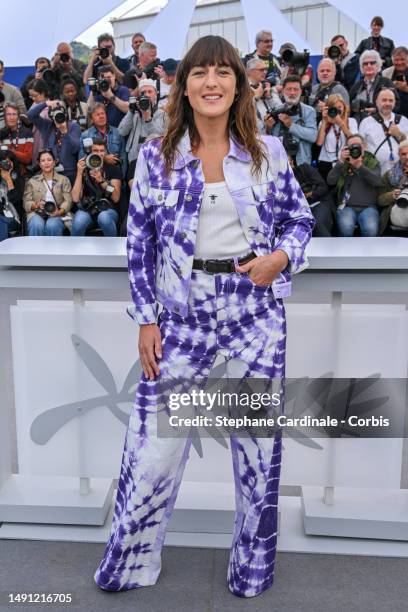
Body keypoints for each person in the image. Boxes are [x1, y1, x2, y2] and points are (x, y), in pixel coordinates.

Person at [93, 34, 314, 599]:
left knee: (257, 449)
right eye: (199, 73)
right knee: (152, 447)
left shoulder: (268, 151)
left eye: (222, 72)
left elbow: (300, 220)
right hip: (181, 315)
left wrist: (280, 260)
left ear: (238, 85)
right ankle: (129, 564)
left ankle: (251, 571)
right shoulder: (156, 157)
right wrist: (146, 318)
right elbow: (139, 240)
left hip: (253, 309)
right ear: (183, 86)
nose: (211, 82)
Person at [327, 133, 381, 236]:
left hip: (369, 207)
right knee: (346, 227)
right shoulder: (343, 163)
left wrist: (360, 166)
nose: (355, 149)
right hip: (347, 206)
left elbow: (377, 181)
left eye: (357, 145)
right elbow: (330, 181)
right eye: (351, 146)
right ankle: (345, 252)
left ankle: (368, 252)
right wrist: (341, 161)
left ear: (364, 146)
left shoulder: (373, 162)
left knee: (371, 229)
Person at [71, 138, 121, 236]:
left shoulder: (112, 168)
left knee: (104, 218)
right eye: (95, 150)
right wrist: (79, 173)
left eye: (101, 151)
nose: (98, 153)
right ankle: (75, 250)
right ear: (89, 152)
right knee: (78, 222)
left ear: (105, 152)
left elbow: (116, 198)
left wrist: (102, 181)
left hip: (108, 209)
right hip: (87, 209)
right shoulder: (83, 168)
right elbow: (75, 198)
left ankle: (112, 249)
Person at [27, 98, 81, 185]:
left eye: (60, 112)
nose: (57, 115)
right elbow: (30, 115)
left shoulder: (73, 126)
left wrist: (65, 132)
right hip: (50, 172)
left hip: (69, 172)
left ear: (65, 113)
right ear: (50, 114)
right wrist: (46, 103)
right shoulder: (46, 125)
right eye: (55, 112)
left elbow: (75, 148)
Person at [268, 76, 317, 165]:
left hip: (300, 163)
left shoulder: (309, 111)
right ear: (283, 91)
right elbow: (269, 139)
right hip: (278, 162)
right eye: (289, 89)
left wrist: (291, 125)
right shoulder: (276, 110)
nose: (292, 92)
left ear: (301, 91)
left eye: (296, 89)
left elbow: (313, 136)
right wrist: (268, 127)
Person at [23, 149, 72, 236]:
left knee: (52, 225)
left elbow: (68, 201)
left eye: (49, 160)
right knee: (36, 224)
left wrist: (59, 212)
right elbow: (26, 202)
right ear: (39, 164)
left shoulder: (63, 180)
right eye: (43, 160)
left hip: (57, 213)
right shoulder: (32, 181)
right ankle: (35, 249)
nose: (46, 163)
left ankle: (53, 249)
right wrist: (36, 205)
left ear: (54, 162)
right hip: (37, 212)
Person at [359, 88, 408, 174]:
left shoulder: (403, 120)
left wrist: (399, 135)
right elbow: (361, 147)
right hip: (374, 173)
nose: (387, 103)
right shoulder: (366, 122)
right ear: (377, 102)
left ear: (394, 103)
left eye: (391, 100)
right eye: (384, 100)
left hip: (401, 173)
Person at [118, 79, 166, 164]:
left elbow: (159, 137)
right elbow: (122, 132)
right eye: (143, 93)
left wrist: (148, 118)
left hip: (153, 160)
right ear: (139, 96)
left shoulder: (162, 115)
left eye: (150, 91)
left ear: (156, 95)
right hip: (133, 160)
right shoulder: (135, 114)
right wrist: (131, 112)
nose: (146, 95)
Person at [289, 154, 334, 236]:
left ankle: (329, 246)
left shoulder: (305, 168)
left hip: (319, 202)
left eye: (286, 163)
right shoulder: (281, 180)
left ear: (292, 162)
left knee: (317, 222)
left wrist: (310, 194)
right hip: (299, 209)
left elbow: (323, 187)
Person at [316, 94, 358, 180]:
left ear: (344, 108)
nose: (337, 110)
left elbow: (355, 141)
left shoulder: (351, 121)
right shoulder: (323, 123)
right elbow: (319, 143)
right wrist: (324, 121)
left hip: (344, 162)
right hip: (326, 162)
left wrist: (341, 124)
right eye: (333, 107)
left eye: (339, 107)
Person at [80, 103, 126, 175]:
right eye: (97, 114)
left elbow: (123, 157)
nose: (101, 116)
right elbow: (82, 159)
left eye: (103, 113)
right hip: (94, 176)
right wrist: (103, 159)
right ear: (92, 119)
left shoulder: (117, 133)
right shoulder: (85, 135)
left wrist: (122, 176)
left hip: (116, 176)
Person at [350, 50, 395, 123]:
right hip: (359, 124)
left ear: (378, 65)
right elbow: (349, 108)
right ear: (361, 67)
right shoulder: (356, 86)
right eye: (365, 63)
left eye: (372, 63)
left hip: (381, 123)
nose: (369, 66)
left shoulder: (387, 83)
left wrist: (377, 109)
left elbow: (396, 105)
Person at [377, 140, 408, 232]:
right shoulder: (389, 175)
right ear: (398, 155)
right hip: (396, 212)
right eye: (403, 154)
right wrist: (391, 195)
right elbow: (379, 200)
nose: (407, 157)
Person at [246, 57, 281, 129]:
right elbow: (240, 112)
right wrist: (254, 98)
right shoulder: (240, 89)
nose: (265, 72)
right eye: (261, 70)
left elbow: (281, 110)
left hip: (271, 133)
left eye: (266, 69)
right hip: (252, 135)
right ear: (249, 71)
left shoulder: (267, 87)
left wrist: (269, 97)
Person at [0, 103, 34, 171]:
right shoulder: (1, 133)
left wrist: (8, 151)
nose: (11, 117)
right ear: (4, 117)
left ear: (18, 117)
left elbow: (27, 158)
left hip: (22, 173)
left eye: (14, 114)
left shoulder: (27, 132)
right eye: (9, 114)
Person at [0, 152, 24, 241]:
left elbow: (17, 202)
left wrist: (8, 179)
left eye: (8, 162)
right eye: (3, 162)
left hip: (12, 217)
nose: (5, 165)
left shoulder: (19, 179)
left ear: (13, 164)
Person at [0, 60, 27, 128]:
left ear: (3, 72)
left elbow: (23, 112)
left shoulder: (13, 90)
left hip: (8, 133)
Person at [383, 47, 408, 118]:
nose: (399, 62)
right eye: (396, 60)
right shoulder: (385, 73)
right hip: (391, 113)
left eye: (402, 59)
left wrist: (406, 89)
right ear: (392, 60)